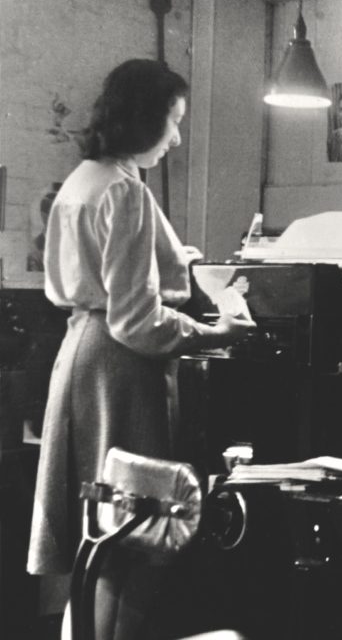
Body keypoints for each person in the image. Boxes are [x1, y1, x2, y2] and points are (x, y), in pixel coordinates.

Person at [26, 59, 256, 639]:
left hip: (79, 353)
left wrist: (177, 265)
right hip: (119, 367)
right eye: (173, 122)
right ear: (145, 118)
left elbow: (102, 282)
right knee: (138, 537)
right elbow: (135, 319)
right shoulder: (125, 191)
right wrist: (215, 333)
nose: (177, 138)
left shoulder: (83, 180)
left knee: (98, 537)